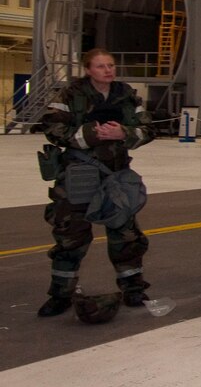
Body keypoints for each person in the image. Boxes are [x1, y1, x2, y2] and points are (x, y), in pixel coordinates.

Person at [35, 48, 155, 316]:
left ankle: (133, 289)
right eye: (101, 67)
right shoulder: (70, 95)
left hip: (116, 175)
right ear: (88, 69)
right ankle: (60, 294)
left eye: (111, 66)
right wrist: (89, 134)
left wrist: (123, 132)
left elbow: (148, 129)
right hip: (79, 174)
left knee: (125, 236)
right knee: (71, 237)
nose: (108, 71)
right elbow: (52, 127)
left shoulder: (126, 94)